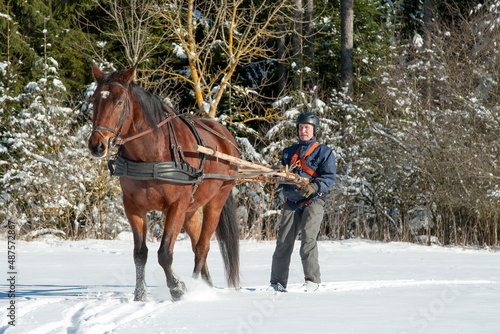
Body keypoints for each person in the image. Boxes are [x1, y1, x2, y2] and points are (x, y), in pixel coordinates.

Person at [269, 112, 336, 292]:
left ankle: (312, 281)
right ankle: (277, 283)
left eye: (306, 127)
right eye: (300, 127)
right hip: (291, 202)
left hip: (313, 201)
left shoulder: (324, 152)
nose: (303, 131)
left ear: (314, 130)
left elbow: (329, 177)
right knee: (283, 242)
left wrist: (314, 187)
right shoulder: (289, 152)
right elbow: (282, 175)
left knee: (308, 239)